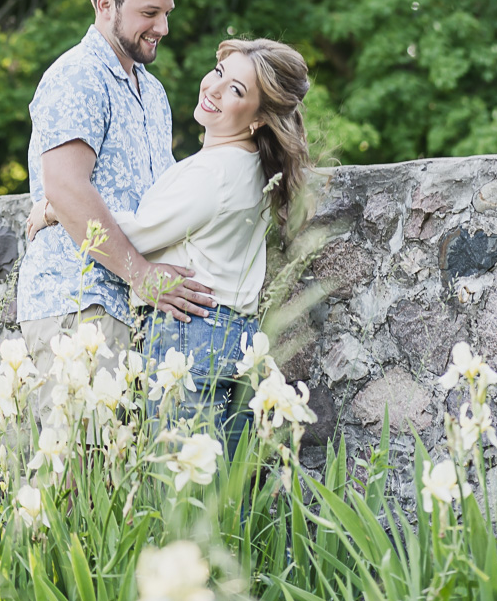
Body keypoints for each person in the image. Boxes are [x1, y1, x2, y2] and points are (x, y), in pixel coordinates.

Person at [29, 36, 311, 455]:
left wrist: (55, 208)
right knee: (222, 491)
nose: (213, 88)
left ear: (258, 119)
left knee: (182, 486)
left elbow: (135, 234)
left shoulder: (212, 172)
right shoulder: (252, 167)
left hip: (193, 337)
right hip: (237, 338)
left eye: (235, 89)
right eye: (218, 73)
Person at [15, 0, 215, 422]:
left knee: (117, 482)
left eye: (166, 13)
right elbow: (66, 188)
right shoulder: (78, 76)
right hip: (80, 303)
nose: (162, 28)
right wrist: (142, 276)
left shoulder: (152, 90)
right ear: (106, 5)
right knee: (77, 479)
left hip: (129, 307)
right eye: (150, 12)